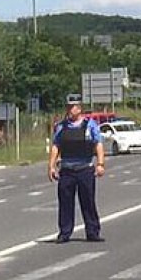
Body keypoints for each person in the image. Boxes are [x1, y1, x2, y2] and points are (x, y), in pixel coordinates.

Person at [48, 99, 106, 243]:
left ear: (79, 108)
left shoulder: (90, 125)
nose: (70, 109)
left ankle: (92, 232)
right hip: (67, 170)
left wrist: (100, 164)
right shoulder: (61, 127)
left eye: (73, 107)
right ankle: (64, 233)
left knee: (88, 202)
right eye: (68, 107)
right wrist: (51, 166)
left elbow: (98, 144)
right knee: (65, 203)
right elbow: (56, 146)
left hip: (85, 169)